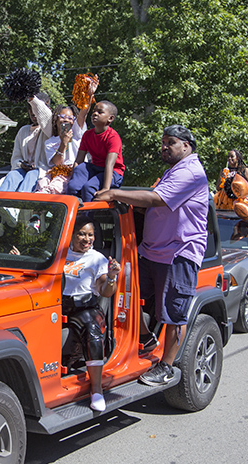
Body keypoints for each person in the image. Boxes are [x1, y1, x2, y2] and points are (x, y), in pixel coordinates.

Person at [94, 125, 208, 386]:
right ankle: (145, 337)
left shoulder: (190, 172)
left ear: (186, 146)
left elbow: (155, 199)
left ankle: (166, 366)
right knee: (126, 295)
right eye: (163, 142)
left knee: (173, 314)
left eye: (170, 142)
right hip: (151, 251)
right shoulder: (172, 172)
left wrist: (113, 193)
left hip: (178, 254)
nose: (164, 147)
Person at [62, 215, 121, 411]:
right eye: (81, 234)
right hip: (58, 307)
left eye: (90, 235)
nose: (86, 239)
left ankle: (96, 390)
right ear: (71, 234)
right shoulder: (60, 253)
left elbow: (105, 290)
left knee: (92, 328)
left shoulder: (97, 259)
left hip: (85, 308)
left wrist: (111, 277)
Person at [36, 79, 97, 194]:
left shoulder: (77, 134)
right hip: (57, 172)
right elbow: (57, 163)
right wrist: (63, 143)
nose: (66, 120)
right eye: (63, 116)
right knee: (42, 183)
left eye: (70, 118)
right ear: (56, 119)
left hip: (74, 172)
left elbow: (83, 113)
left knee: (55, 186)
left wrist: (89, 95)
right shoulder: (50, 142)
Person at [67, 100, 125, 202]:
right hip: (95, 168)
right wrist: (72, 179)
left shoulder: (113, 137)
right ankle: (72, 209)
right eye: (94, 111)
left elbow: (110, 165)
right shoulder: (87, 135)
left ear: (110, 118)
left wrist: (106, 189)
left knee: (88, 188)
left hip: (113, 173)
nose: (95, 114)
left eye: (100, 112)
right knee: (75, 181)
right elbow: (78, 160)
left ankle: (88, 216)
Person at [0, 93, 53, 192]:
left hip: (41, 172)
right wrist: (21, 165)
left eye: (36, 109)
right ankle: (0, 204)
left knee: (31, 175)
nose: (33, 113)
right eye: (30, 109)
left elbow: (46, 118)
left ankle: (20, 206)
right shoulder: (23, 131)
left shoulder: (49, 130)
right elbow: (15, 158)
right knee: (13, 175)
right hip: (22, 171)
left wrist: (33, 100)